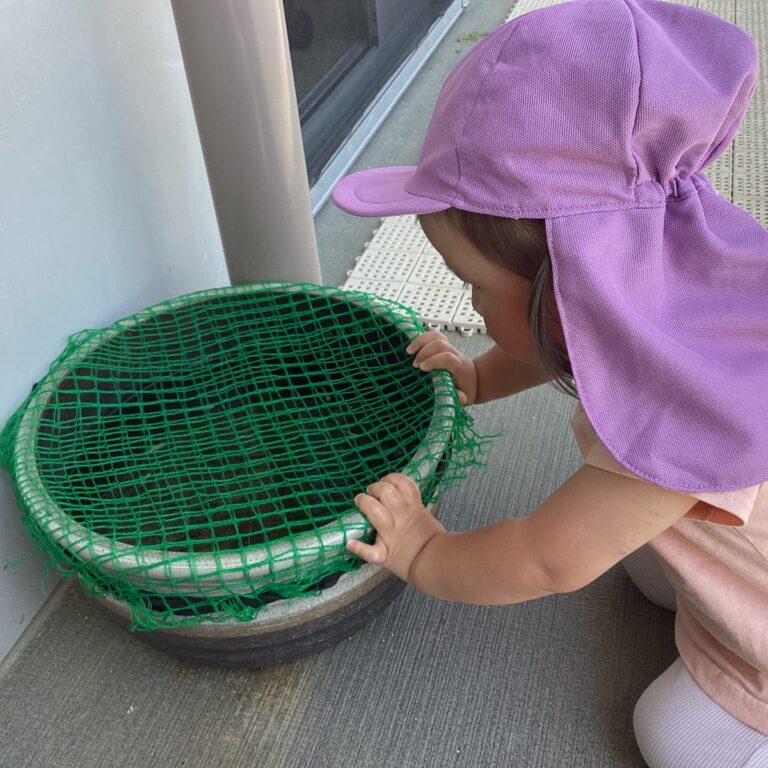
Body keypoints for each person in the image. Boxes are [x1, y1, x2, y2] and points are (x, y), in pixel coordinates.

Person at [331, 1, 768, 766]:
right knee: (644, 558)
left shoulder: (689, 419)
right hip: (710, 525)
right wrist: (474, 375)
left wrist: (426, 552)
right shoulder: (642, 286)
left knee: (670, 736)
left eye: (470, 287)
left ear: (569, 289)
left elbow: (545, 559)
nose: (467, 307)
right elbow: (549, 342)